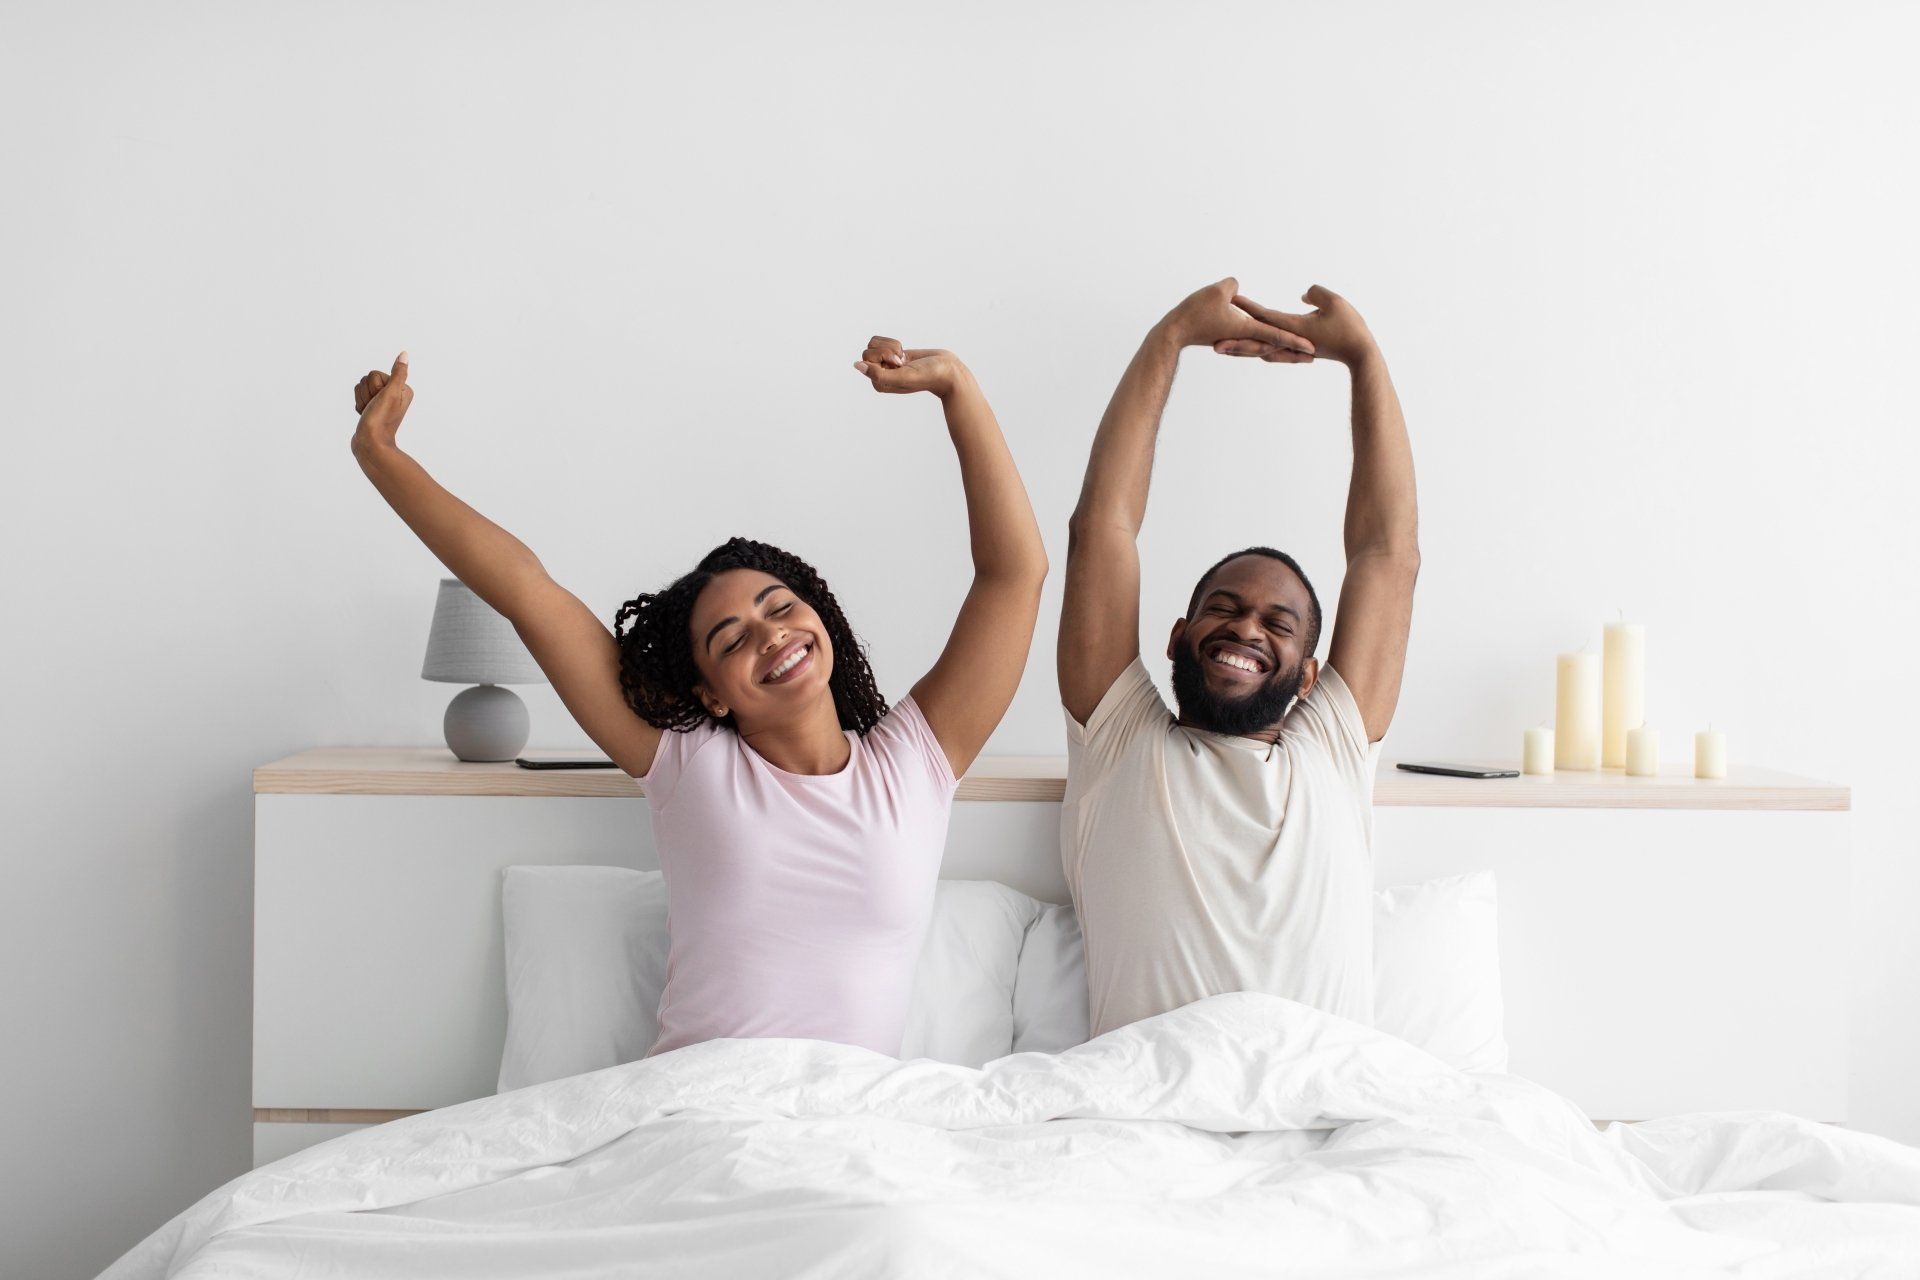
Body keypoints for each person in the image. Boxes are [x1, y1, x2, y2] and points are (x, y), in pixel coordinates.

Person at [349, 338, 1047, 1057]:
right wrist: (383, 457)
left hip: (851, 1126)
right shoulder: (688, 766)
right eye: (732, 639)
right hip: (701, 1119)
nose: (771, 636)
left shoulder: (915, 766)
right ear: (710, 696)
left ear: (820, 618)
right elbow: (527, 590)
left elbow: (1014, 574)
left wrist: (956, 389)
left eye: (780, 608)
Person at [1057, 277, 1418, 1038]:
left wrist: (1365, 361)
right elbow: (1104, 530)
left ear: (1311, 675)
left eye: (1277, 622)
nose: (1247, 627)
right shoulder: (1121, 742)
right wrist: (1170, 337)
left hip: (1322, 1113)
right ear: (1177, 635)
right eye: (1223, 608)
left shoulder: (1332, 750)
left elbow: (1387, 556)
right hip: (1145, 1116)